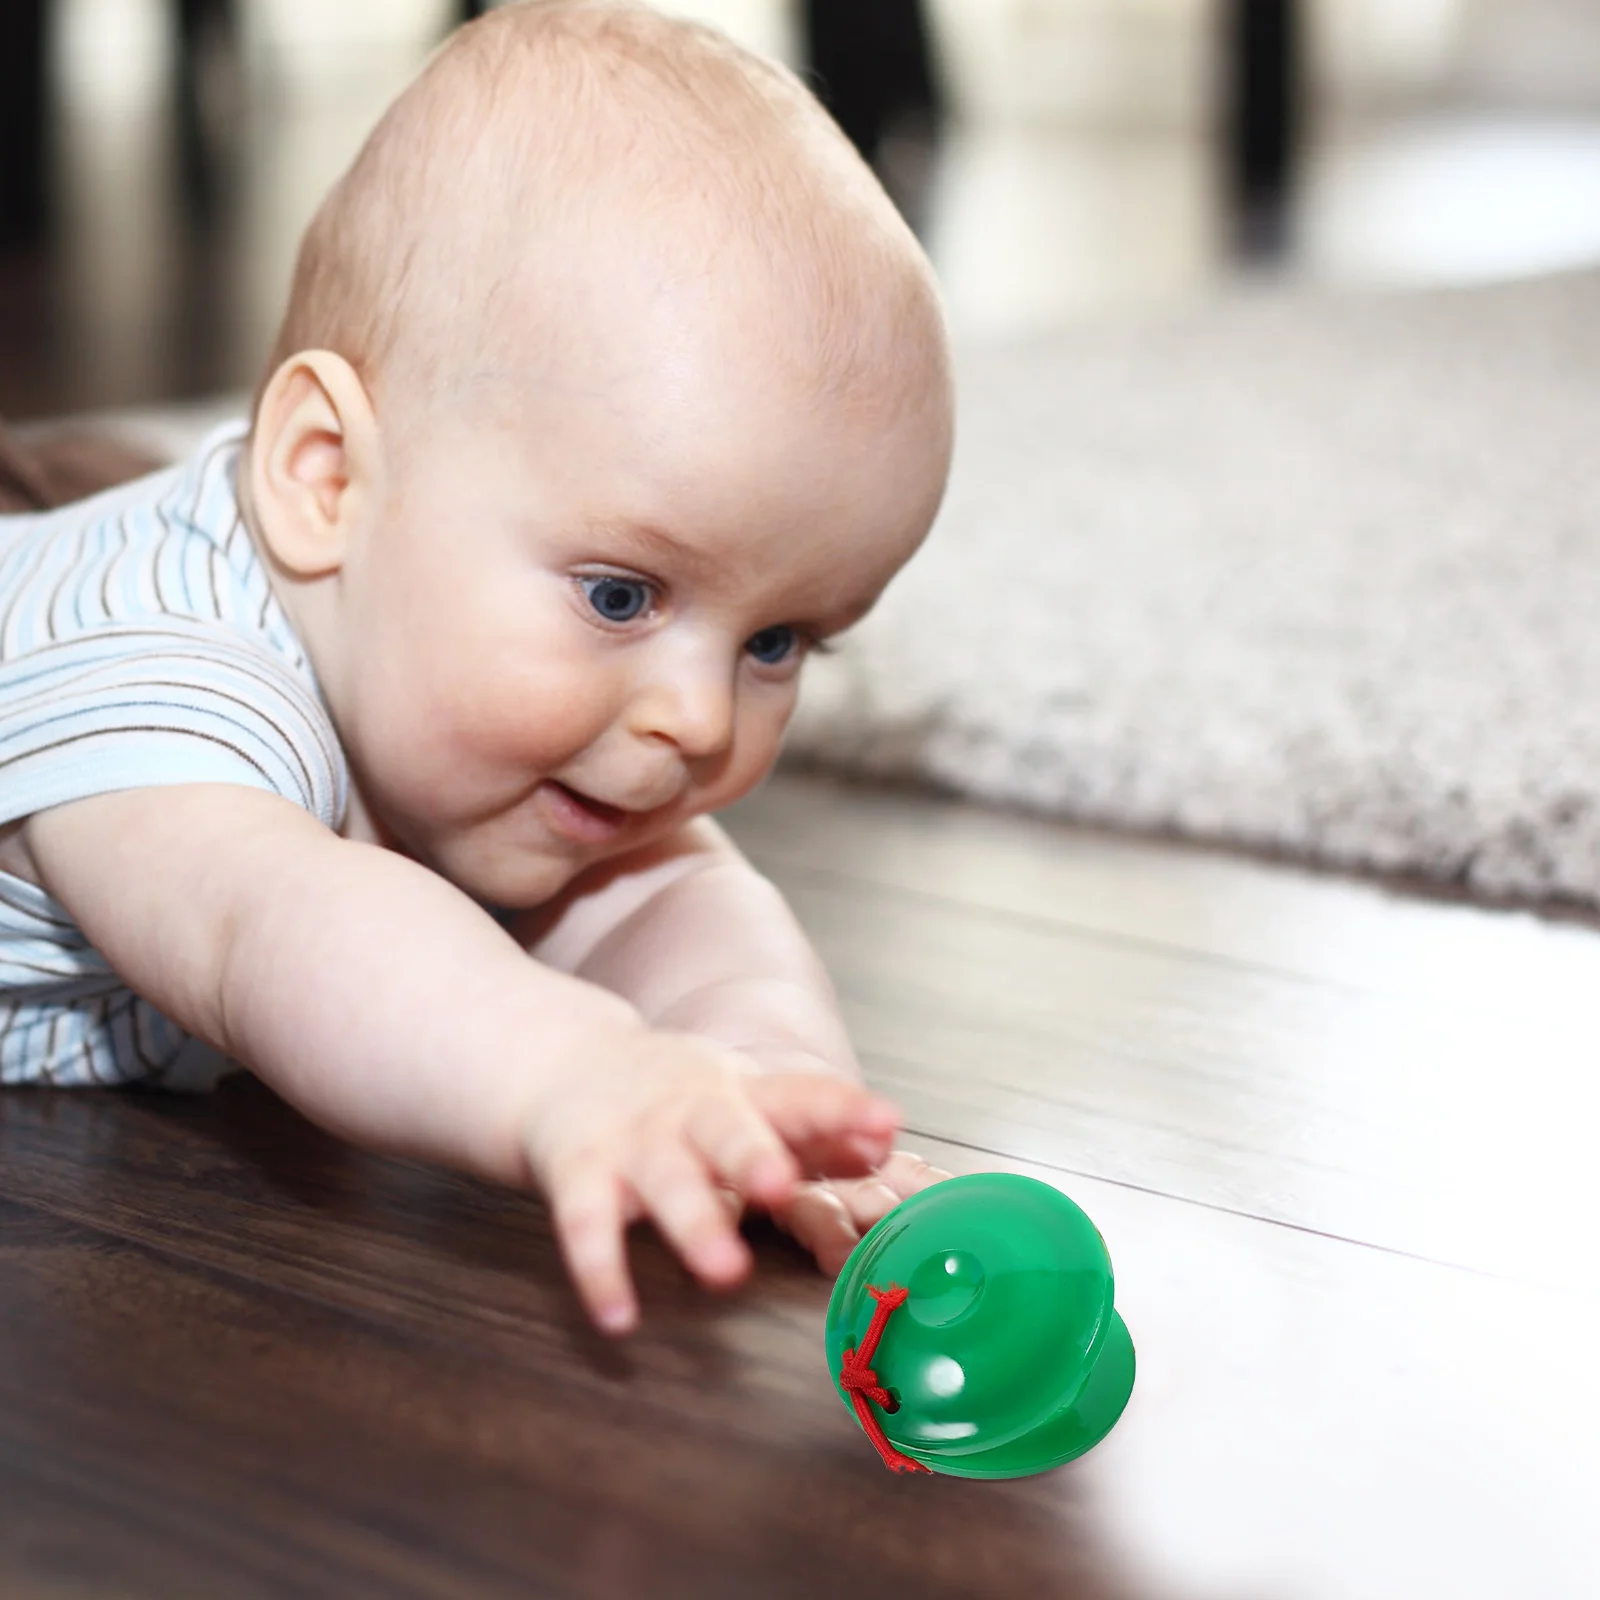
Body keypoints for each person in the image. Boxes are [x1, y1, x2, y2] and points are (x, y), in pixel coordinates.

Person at [0, 1, 955, 1335]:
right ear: (325, 481)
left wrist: (760, 1084)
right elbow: (273, 931)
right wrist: (574, 1073)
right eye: (621, 594)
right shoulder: (164, 686)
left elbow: (675, 904)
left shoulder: (488, 689)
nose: (695, 719)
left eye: (777, 642)